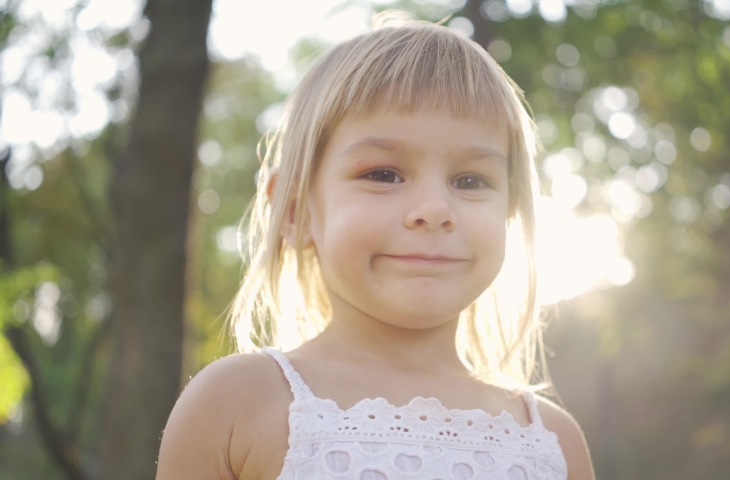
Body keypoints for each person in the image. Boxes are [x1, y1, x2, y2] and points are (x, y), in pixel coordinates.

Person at [157, 12, 595, 480]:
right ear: (295, 212)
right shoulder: (236, 405)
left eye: (470, 180)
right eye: (382, 174)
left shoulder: (553, 441)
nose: (434, 208)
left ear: (511, 214)